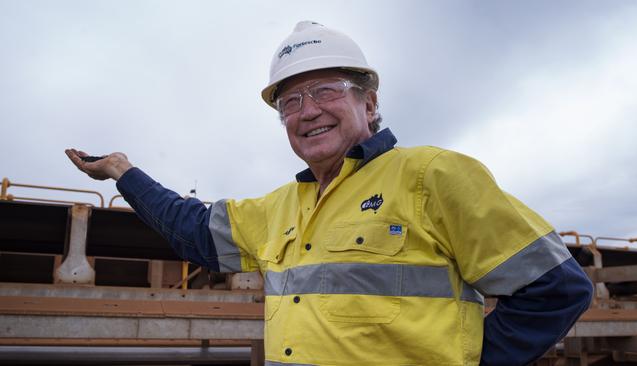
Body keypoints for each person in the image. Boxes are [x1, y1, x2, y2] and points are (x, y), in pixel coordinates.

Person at [66, 21, 593, 366]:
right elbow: (193, 231)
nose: (307, 110)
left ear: (370, 103)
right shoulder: (278, 208)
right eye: (290, 101)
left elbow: (557, 291)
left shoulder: (433, 175)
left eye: (325, 90)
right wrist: (124, 172)